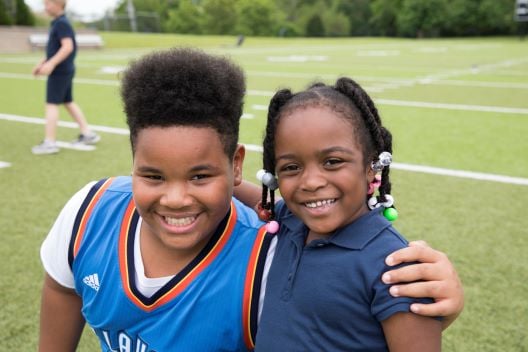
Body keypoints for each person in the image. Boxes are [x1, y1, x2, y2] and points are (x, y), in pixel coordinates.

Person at [39, 48, 463, 351]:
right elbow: (63, 287)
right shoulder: (89, 212)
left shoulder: (290, 248)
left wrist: (442, 296)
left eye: (201, 175)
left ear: (236, 166)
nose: (175, 198)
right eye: (152, 175)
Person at [235, 78, 456, 351]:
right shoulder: (293, 221)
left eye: (332, 162)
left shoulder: (397, 267)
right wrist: (224, 181)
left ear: (370, 166)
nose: (311, 182)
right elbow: (264, 201)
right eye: (291, 167)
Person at [31, 0, 99, 155]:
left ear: (58, 4)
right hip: (64, 69)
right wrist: (42, 63)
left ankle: (50, 142)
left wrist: (51, 64)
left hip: (60, 71)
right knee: (68, 101)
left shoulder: (62, 23)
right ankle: (88, 133)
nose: (45, 7)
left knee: (51, 103)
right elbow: (52, 50)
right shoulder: (57, 23)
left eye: (47, 4)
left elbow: (67, 47)